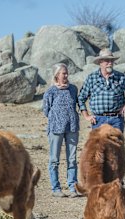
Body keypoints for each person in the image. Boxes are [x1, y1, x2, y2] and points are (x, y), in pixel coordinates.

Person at [78, 48, 125, 133]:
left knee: (116, 145)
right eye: (107, 61)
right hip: (98, 120)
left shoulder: (120, 77)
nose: (110, 63)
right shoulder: (91, 78)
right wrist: (86, 116)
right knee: (99, 146)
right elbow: (81, 98)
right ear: (100, 62)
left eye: (111, 61)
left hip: (116, 119)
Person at [42, 63, 81, 198]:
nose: (66, 75)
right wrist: (58, 118)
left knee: (72, 159)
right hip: (56, 129)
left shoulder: (73, 89)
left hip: (72, 127)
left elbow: (79, 104)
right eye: (63, 73)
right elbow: (46, 110)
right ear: (56, 75)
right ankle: (56, 188)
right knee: (54, 160)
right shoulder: (50, 91)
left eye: (66, 73)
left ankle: (73, 187)